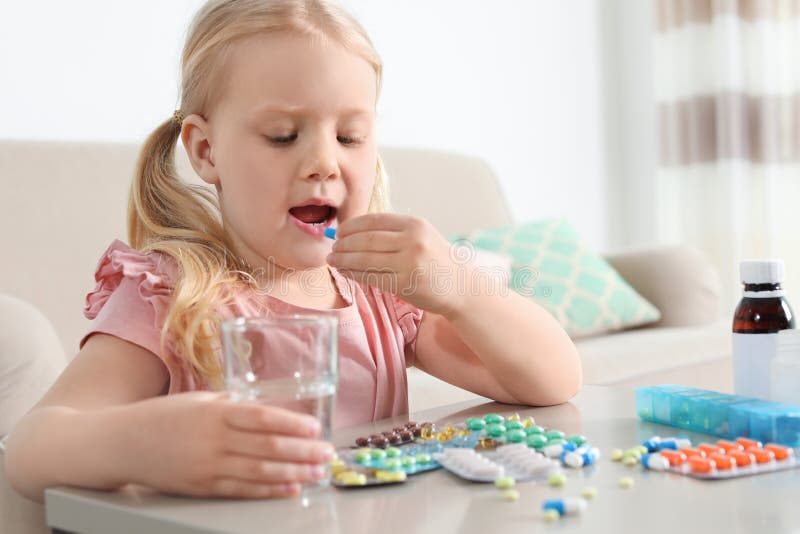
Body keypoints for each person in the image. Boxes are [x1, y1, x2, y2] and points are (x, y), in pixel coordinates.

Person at [4, 0, 581, 503]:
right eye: (283, 135)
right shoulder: (172, 296)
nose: (325, 162)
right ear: (206, 151)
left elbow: (555, 380)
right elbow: (28, 450)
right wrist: (138, 444)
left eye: (350, 136)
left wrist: (460, 290)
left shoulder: (378, 291)